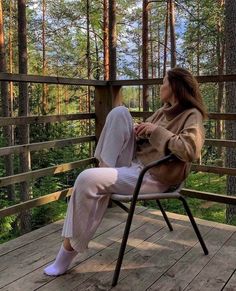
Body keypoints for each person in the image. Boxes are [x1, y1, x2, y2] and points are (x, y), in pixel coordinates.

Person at [44, 67, 207, 276]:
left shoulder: (192, 115)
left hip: (153, 175)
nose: (161, 85)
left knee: (86, 179)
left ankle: (66, 254)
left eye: (164, 81)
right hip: (136, 163)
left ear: (174, 86)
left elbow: (190, 150)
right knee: (120, 112)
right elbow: (149, 138)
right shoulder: (162, 110)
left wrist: (155, 131)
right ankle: (105, 175)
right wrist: (141, 130)